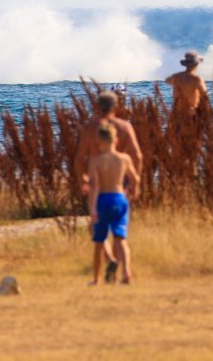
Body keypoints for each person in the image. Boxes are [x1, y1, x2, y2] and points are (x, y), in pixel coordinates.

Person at [75, 90, 143, 282]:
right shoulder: (124, 126)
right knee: (119, 232)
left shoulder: (91, 127)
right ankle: (123, 270)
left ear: (97, 106)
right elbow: (137, 155)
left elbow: (79, 158)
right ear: (116, 107)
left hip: (99, 185)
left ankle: (109, 260)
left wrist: (83, 179)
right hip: (119, 184)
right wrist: (132, 181)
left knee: (97, 227)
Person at [88, 123, 139, 285]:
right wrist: (133, 191)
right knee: (120, 238)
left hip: (104, 198)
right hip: (119, 198)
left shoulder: (96, 161)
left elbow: (95, 186)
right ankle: (126, 273)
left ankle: (96, 279)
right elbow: (134, 179)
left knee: (99, 239)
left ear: (99, 141)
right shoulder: (124, 159)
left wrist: (92, 208)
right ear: (115, 140)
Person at [165, 51, 208, 116]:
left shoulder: (176, 76)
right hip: (191, 113)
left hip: (176, 113)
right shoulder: (196, 79)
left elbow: (167, 81)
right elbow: (205, 95)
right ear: (196, 64)